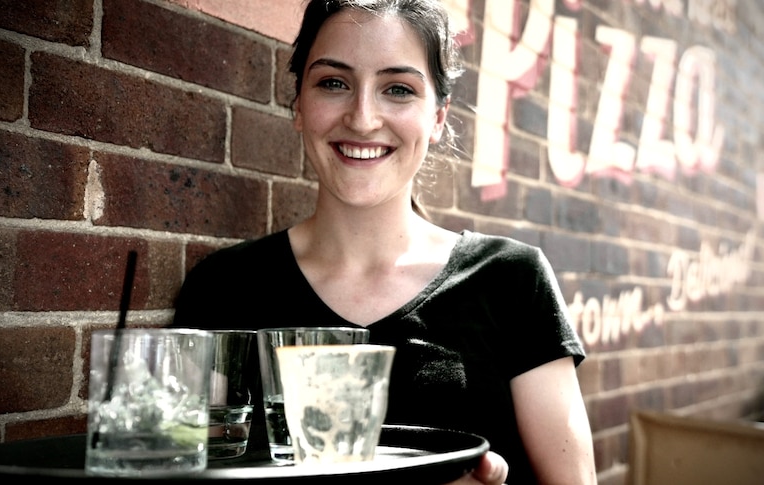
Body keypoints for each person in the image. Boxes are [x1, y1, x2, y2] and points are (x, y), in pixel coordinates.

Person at [171, 0, 597, 483]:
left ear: (438, 118)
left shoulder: (512, 279)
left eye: (398, 89)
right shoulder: (224, 286)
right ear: (298, 105)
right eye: (334, 82)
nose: (363, 117)